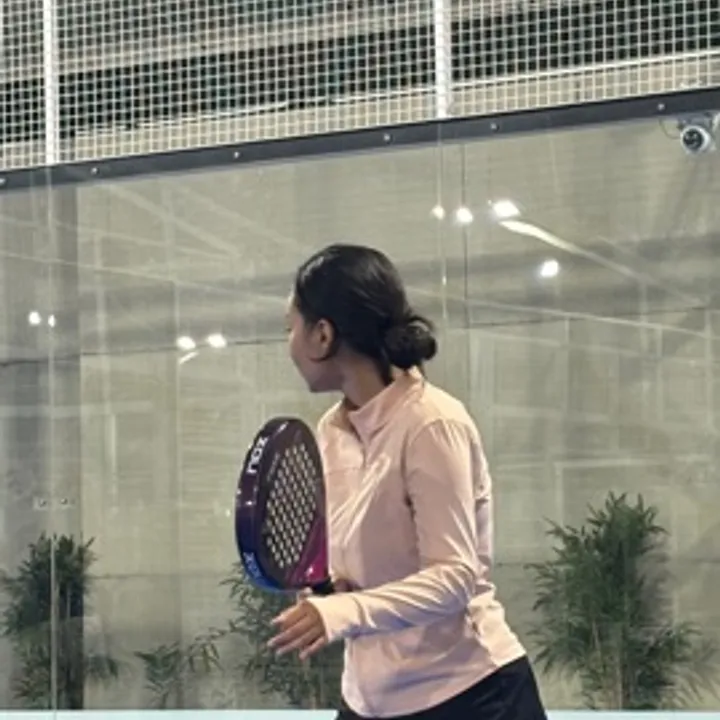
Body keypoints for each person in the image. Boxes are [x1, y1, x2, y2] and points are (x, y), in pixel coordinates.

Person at [268, 244, 547, 720]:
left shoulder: (432, 423)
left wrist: (343, 613)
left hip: (473, 695)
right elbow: (365, 564)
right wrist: (332, 593)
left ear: (322, 335)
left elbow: (454, 577)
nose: (288, 343)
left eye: (289, 328)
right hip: (369, 698)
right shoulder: (330, 431)